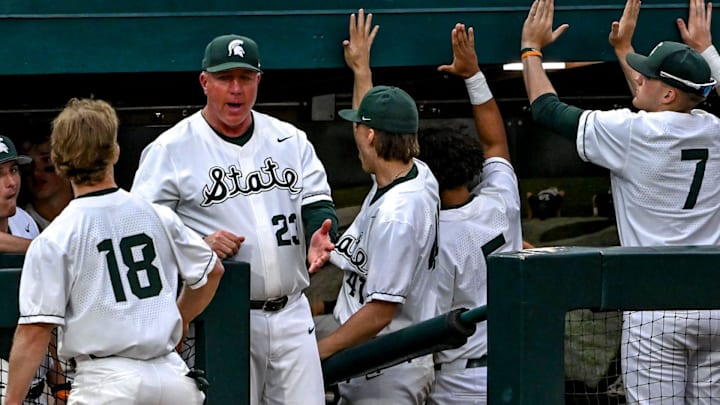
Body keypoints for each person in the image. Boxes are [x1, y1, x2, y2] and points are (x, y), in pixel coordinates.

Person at [521, 0, 720, 403]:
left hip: (655, 306)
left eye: (647, 75)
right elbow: (663, 107)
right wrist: (707, 52)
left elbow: (546, 109)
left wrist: (530, 50)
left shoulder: (629, 132)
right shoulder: (712, 127)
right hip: (713, 303)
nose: (639, 77)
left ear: (666, 93)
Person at [131, 34, 337, 405]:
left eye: (246, 77)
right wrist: (194, 245)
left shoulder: (290, 139)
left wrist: (321, 233)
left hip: (291, 312)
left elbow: (316, 201)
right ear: (204, 82)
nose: (236, 89)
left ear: (259, 80)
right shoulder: (170, 150)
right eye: (226, 78)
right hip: (223, 316)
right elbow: (139, 232)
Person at [5, 98, 225, 405]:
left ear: (59, 159)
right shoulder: (156, 214)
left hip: (107, 382)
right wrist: (181, 316)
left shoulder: (57, 236)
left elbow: (35, 331)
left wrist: (12, 401)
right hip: (172, 379)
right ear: (115, 152)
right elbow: (212, 271)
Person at [315, 9, 440, 404]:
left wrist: (320, 351)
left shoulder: (399, 214)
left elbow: (381, 311)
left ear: (370, 135)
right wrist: (361, 72)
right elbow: (368, 123)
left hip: (389, 365)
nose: (354, 134)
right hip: (378, 356)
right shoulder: (413, 170)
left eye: (358, 127)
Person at [418, 23, 523, 404]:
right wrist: (473, 74)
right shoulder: (500, 200)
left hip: (459, 384)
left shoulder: (434, 237)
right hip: (517, 370)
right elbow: (495, 141)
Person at [19, 133, 73, 230]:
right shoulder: (19, 224)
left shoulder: (91, 211)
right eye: (27, 165)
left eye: (46, 160)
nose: (36, 173)